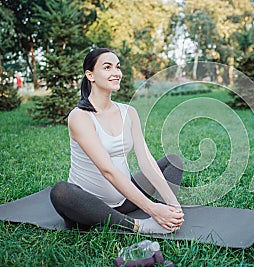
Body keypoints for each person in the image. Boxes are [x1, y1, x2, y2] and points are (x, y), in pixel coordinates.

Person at [50, 48, 184, 234]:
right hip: (89, 208)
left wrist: (172, 204)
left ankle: (165, 217)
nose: (116, 73)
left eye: (118, 67)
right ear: (90, 75)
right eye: (107, 67)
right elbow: (108, 170)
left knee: (173, 161)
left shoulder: (129, 112)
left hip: (124, 201)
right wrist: (151, 208)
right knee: (60, 192)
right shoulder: (79, 117)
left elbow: (145, 160)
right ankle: (140, 225)